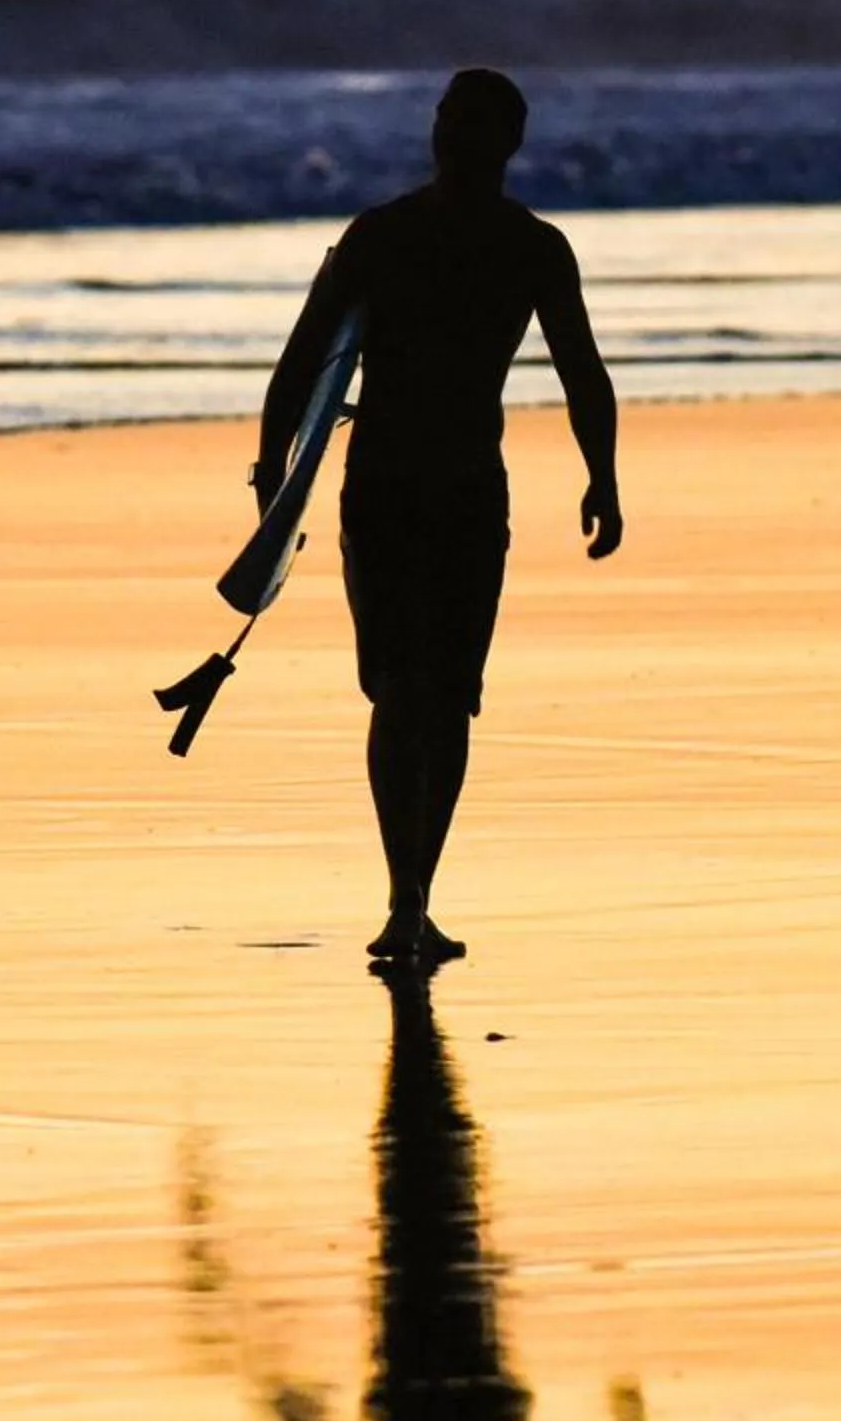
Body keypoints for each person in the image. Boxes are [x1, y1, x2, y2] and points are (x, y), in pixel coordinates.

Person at [256, 68, 621, 970]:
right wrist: (275, 480)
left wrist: (605, 477)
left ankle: (411, 893)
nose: (450, 136)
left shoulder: (444, 241)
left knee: (426, 694)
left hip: (423, 485)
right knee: (419, 694)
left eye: (461, 123)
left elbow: (582, 371)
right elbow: (303, 361)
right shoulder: (471, 241)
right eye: (450, 120)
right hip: (421, 484)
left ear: (488, 140)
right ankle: (409, 894)